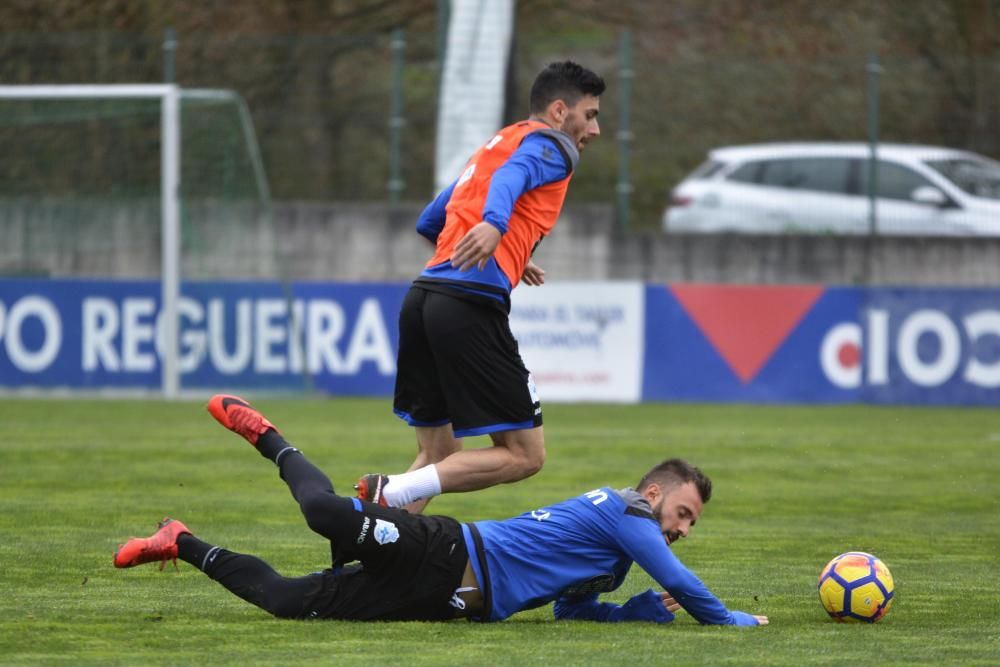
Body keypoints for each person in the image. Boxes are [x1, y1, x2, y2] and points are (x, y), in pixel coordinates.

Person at [113, 395, 768, 627]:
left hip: (439, 600)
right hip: (443, 550)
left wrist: (631, 613)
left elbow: (572, 609)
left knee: (286, 601)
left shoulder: (617, 561)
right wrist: (732, 619)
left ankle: (179, 540)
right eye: (683, 512)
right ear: (654, 493)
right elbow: (682, 582)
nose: (682, 529)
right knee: (322, 511)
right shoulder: (626, 514)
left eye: (690, 525)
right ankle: (269, 437)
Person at [352, 61, 606, 513]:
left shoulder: (495, 145)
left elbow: (431, 218)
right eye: (590, 115)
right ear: (560, 111)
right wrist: (494, 226)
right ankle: (389, 491)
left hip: (423, 299)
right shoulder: (555, 146)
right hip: (466, 308)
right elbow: (514, 180)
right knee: (526, 455)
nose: (595, 129)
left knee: (438, 455)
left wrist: (509, 249)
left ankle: (372, 550)